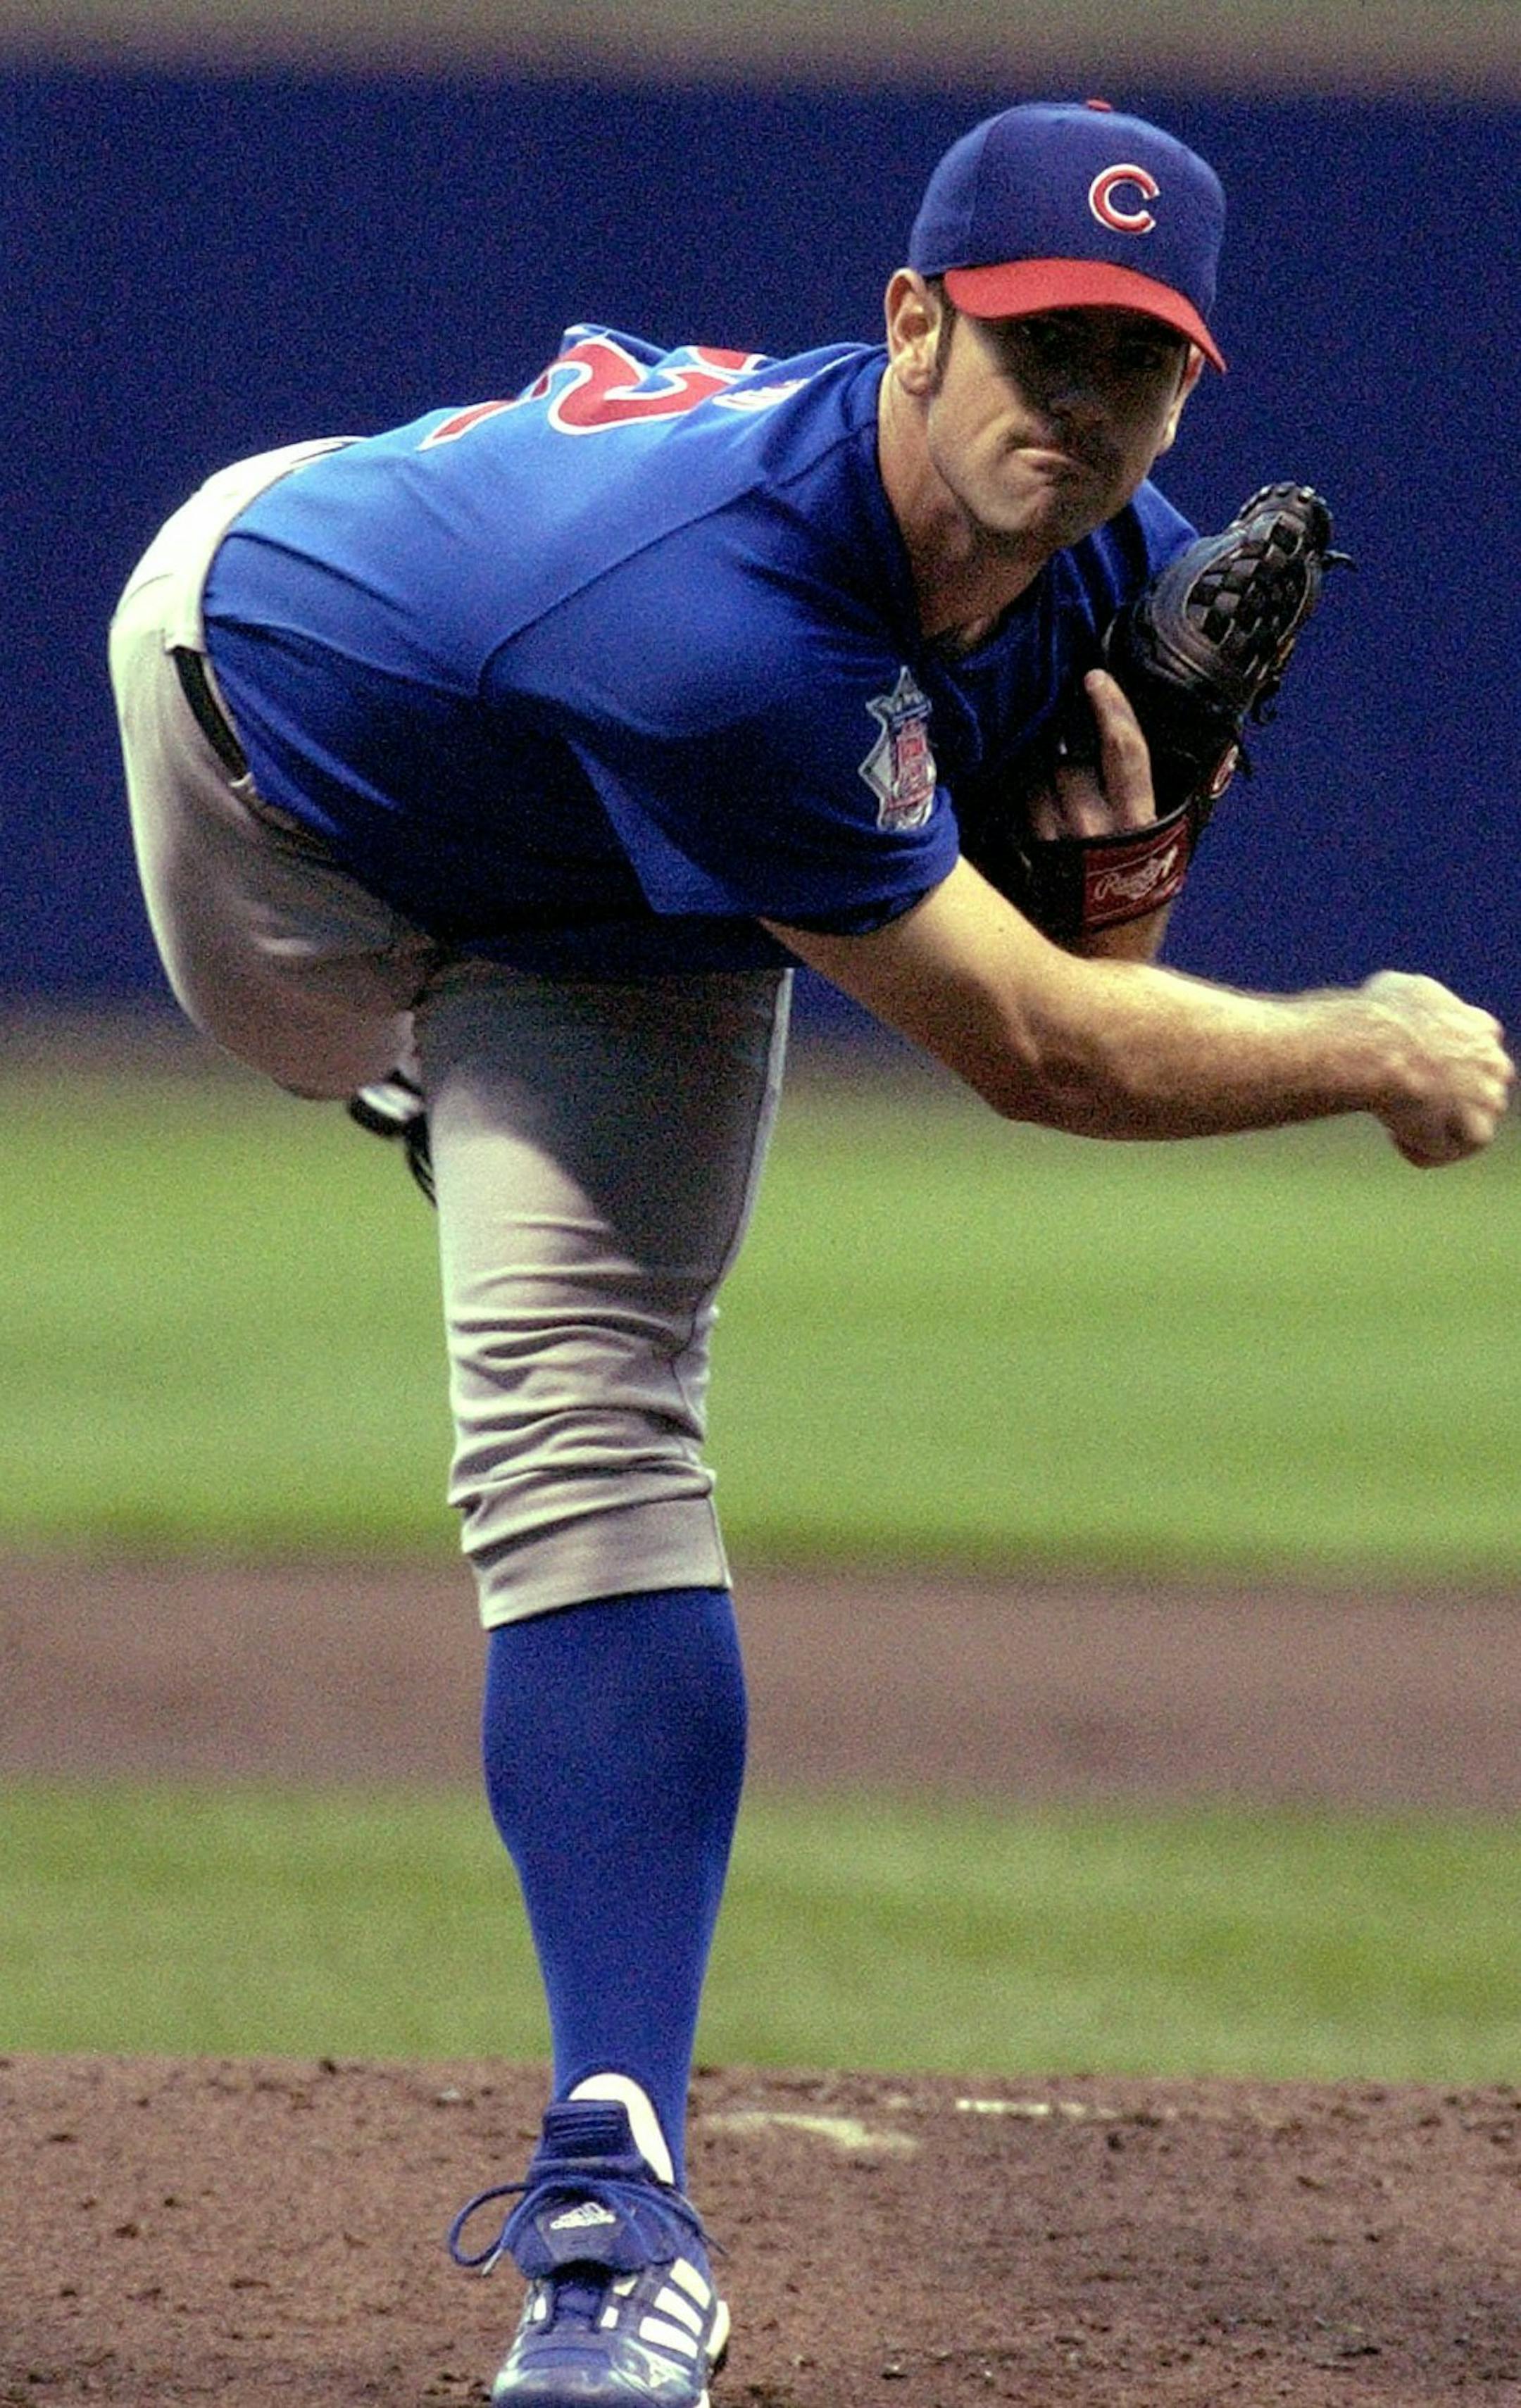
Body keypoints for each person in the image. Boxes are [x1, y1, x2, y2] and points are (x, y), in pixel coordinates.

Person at [108, 96, 1511, 2408]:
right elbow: (1040, 1050)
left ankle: (613, 2184)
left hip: (616, 882)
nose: (1080, 410)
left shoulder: (1104, 554)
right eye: (1036, 344)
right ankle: (416, 1088)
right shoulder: (715, 626)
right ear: (911, 321)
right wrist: (1359, 1047)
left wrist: (1135, 865)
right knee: (356, 1032)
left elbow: (1074, 916)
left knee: (584, 1426)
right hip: (275, 772)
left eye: (1134, 365)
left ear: (1188, 389)